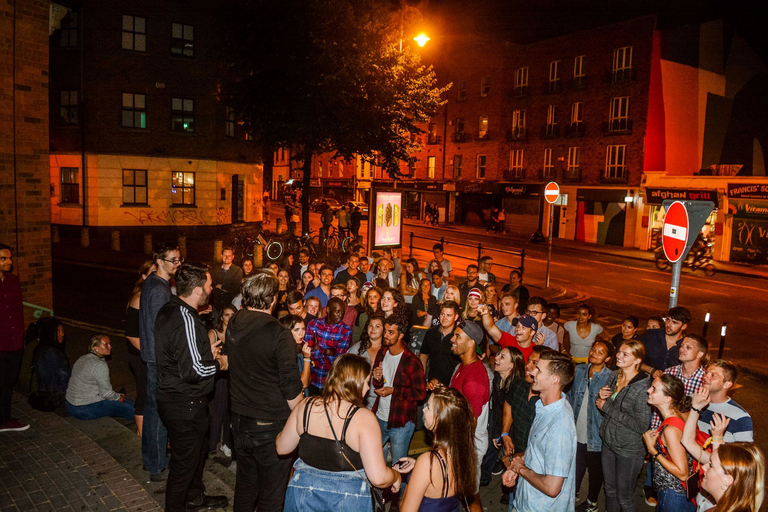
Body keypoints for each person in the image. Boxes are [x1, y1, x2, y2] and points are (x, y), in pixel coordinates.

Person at [276, 354, 403, 512]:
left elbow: (281, 448)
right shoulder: (363, 418)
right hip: (348, 499)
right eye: (366, 381)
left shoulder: (305, 407)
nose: (368, 387)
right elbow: (378, 477)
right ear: (355, 383)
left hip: (302, 494)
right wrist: (396, 476)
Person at [227, 269, 304, 512]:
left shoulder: (235, 322)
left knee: (246, 486)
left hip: (239, 421)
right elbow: (291, 390)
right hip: (270, 427)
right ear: (273, 299)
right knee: (272, 494)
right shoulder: (279, 334)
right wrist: (304, 420)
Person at [154, 262, 229, 512]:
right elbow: (193, 370)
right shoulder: (185, 317)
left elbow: (180, 355)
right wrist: (219, 363)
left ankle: (195, 498)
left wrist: (204, 352)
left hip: (180, 400)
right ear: (197, 290)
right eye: (208, 285)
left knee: (196, 457)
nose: (211, 288)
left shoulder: (172, 309)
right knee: (183, 467)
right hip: (183, 404)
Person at [502, 351, 576, 512]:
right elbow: (539, 450)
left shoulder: (559, 426)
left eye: (539, 370)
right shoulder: (543, 407)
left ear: (554, 380)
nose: (532, 371)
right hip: (525, 500)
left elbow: (552, 487)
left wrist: (521, 469)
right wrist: (517, 466)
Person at [394, 387, 478, 512]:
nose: (423, 409)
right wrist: (418, 467)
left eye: (428, 407)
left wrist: (401, 478)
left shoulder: (428, 462)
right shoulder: (462, 453)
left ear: (439, 420)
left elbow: (405, 509)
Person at [139, 241, 182, 481]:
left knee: (153, 410)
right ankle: (156, 465)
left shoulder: (153, 284)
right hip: (159, 359)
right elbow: (162, 330)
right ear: (158, 262)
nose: (177, 264)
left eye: (178, 259)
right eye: (172, 260)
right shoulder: (159, 289)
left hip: (152, 356)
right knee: (158, 412)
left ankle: (151, 460)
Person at [596, 340, 651, 512]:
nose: (619, 355)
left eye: (625, 354)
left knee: (624, 497)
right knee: (610, 491)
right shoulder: (615, 375)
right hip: (609, 443)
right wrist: (602, 397)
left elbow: (641, 425)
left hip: (629, 450)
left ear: (637, 361)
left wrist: (607, 408)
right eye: (619, 352)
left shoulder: (643, 388)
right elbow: (607, 409)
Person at [371, 315, 427, 475]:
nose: (385, 335)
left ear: (401, 335)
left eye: (390, 332)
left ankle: (401, 499)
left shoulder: (411, 361)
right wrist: (377, 379)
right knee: (376, 465)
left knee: (400, 468)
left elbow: (421, 393)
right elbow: (378, 385)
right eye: (385, 331)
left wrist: (393, 391)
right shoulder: (382, 353)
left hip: (401, 422)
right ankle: (378, 497)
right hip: (380, 418)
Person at [447, 322, 491, 512]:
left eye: (458, 336)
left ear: (471, 342)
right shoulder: (463, 366)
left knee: (471, 495)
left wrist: (461, 454)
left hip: (468, 446)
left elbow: (470, 423)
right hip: (458, 441)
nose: (452, 339)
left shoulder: (474, 377)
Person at [566, 340, 614, 512]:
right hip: (576, 428)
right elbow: (569, 396)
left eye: (600, 352)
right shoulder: (579, 370)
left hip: (595, 434)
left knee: (595, 471)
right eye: (593, 349)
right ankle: (574, 493)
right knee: (576, 465)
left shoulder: (611, 377)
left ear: (608, 358)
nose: (594, 353)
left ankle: (592, 503)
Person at [643, 375, 695, 512]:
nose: (648, 390)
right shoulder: (683, 413)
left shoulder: (670, 430)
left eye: (654, 389)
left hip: (673, 494)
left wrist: (653, 450)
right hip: (680, 494)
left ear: (668, 398)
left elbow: (682, 473)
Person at [480, 346, 525, 488]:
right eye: (498, 355)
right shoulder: (498, 378)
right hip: (501, 424)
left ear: (512, 365)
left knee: (512, 458)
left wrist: (504, 434)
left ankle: (511, 487)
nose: (497, 358)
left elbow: (515, 417)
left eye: (502, 357)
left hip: (515, 430)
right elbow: (498, 409)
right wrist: (496, 433)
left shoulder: (518, 385)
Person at [65, 335, 135, 422]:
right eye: (106, 344)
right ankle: (148, 423)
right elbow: (106, 393)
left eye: (109, 344)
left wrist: (116, 396)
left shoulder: (83, 358)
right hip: (84, 408)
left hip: (71, 405)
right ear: (95, 348)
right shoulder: (99, 365)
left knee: (126, 401)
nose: (110, 346)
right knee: (127, 408)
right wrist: (117, 397)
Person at [0, 243, 29, 432]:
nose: (9, 261)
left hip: (14, 343)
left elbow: (17, 310)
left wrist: (20, 335)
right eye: (3, 258)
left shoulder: (13, 281)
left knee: (8, 382)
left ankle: (4, 419)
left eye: (10, 258)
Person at [305, 297, 352, 395]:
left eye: (342, 312)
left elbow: (338, 360)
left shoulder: (345, 330)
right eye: (337, 312)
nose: (340, 315)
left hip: (330, 382)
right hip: (311, 379)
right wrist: (326, 352)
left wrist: (317, 349)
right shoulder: (313, 324)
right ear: (328, 310)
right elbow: (307, 353)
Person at [207, 305, 236, 456]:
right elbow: (206, 355)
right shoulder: (213, 333)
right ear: (221, 317)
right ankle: (211, 443)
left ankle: (227, 442)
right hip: (217, 378)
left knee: (229, 411)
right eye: (226, 314)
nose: (229, 318)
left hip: (232, 377)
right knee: (216, 410)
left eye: (232, 315)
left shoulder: (235, 334)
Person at [640, 306, 691, 379]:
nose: (668, 325)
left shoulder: (685, 346)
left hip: (669, 388)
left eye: (674, 322)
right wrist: (651, 370)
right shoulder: (651, 335)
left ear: (683, 326)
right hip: (644, 384)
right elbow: (632, 357)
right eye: (668, 319)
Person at [420, 301, 461, 388]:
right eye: (442, 314)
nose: (444, 318)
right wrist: (422, 380)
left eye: (448, 315)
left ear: (456, 317)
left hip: (452, 387)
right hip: (432, 384)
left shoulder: (459, 337)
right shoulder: (431, 333)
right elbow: (423, 356)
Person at [348, 314, 384, 408]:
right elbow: (345, 367)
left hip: (381, 400)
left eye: (377, 326)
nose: (373, 329)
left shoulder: (388, 350)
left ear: (384, 329)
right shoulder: (358, 347)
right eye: (370, 325)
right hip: (360, 398)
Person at [32, 318, 70, 400]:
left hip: (46, 391)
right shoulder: (52, 352)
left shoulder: (41, 348)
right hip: (55, 393)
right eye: (58, 332)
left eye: (62, 331)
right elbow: (64, 377)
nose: (62, 334)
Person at [280, 315, 312, 395]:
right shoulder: (287, 353)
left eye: (303, 329)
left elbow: (308, 381)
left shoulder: (300, 350)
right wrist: (307, 358)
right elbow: (303, 385)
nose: (301, 333)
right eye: (296, 330)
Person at [211, 247, 244, 312]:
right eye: (225, 255)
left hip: (231, 306)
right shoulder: (215, 270)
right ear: (221, 256)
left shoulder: (238, 271)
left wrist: (221, 286)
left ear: (232, 257)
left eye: (229, 255)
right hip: (217, 306)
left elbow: (235, 288)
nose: (227, 257)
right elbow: (213, 286)